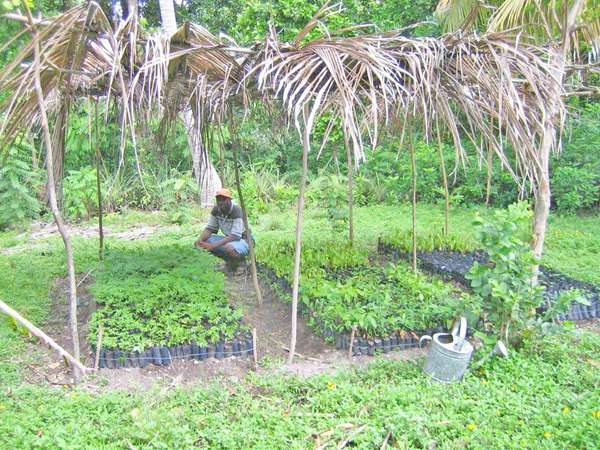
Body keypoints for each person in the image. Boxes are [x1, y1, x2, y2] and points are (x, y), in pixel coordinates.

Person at [195, 188, 250, 261]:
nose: (221, 202)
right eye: (219, 200)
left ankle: (240, 264)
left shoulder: (236, 210)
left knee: (229, 248)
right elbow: (210, 228)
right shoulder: (216, 210)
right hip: (229, 239)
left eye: (224, 199)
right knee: (205, 241)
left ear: (229, 200)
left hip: (243, 240)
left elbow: (235, 236)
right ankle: (227, 261)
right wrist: (200, 241)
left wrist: (213, 245)